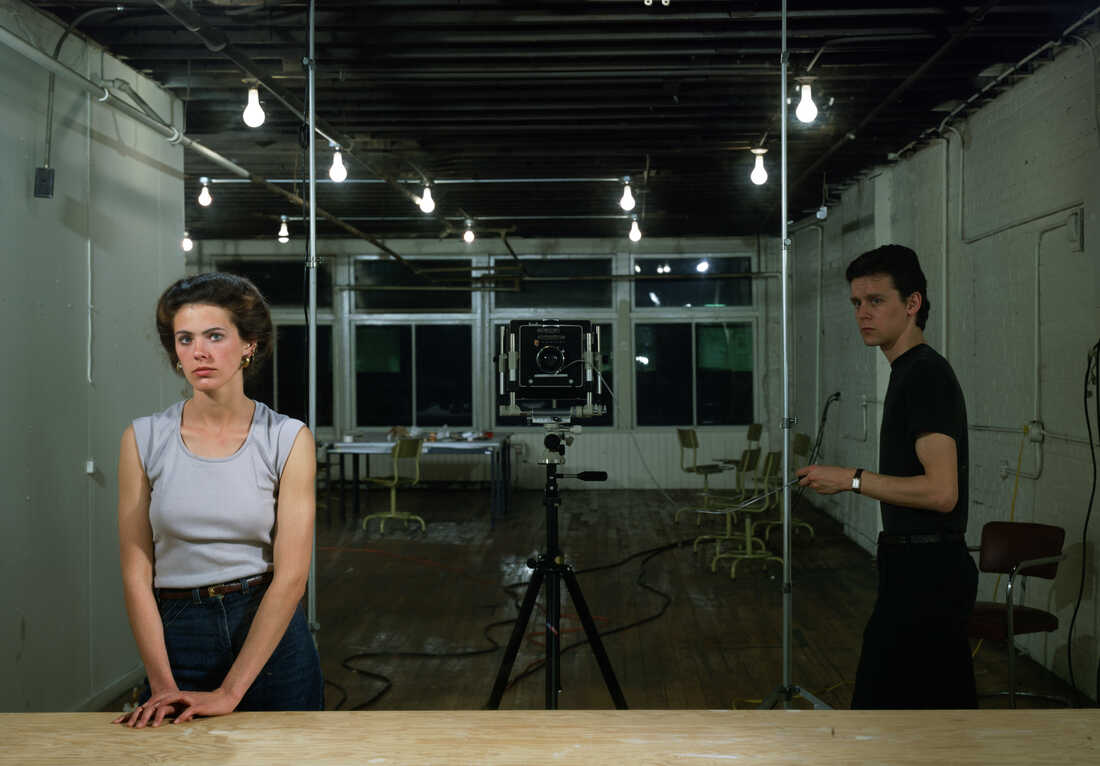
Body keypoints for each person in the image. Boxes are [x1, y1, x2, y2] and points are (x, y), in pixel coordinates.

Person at [113, 273, 322, 728]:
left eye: (215, 336)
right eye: (185, 339)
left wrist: (231, 691)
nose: (198, 352)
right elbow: (135, 574)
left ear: (250, 345)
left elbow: (292, 576)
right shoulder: (143, 439)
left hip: (268, 628)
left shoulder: (287, 439)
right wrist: (162, 683)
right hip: (179, 633)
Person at [796, 244, 977, 709]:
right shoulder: (906, 372)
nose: (863, 313)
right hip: (910, 568)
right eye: (857, 303)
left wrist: (851, 478)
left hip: (930, 574)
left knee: (899, 723)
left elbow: (941, 492)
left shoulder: (925, 377)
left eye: (876, 300)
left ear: (912, 303)